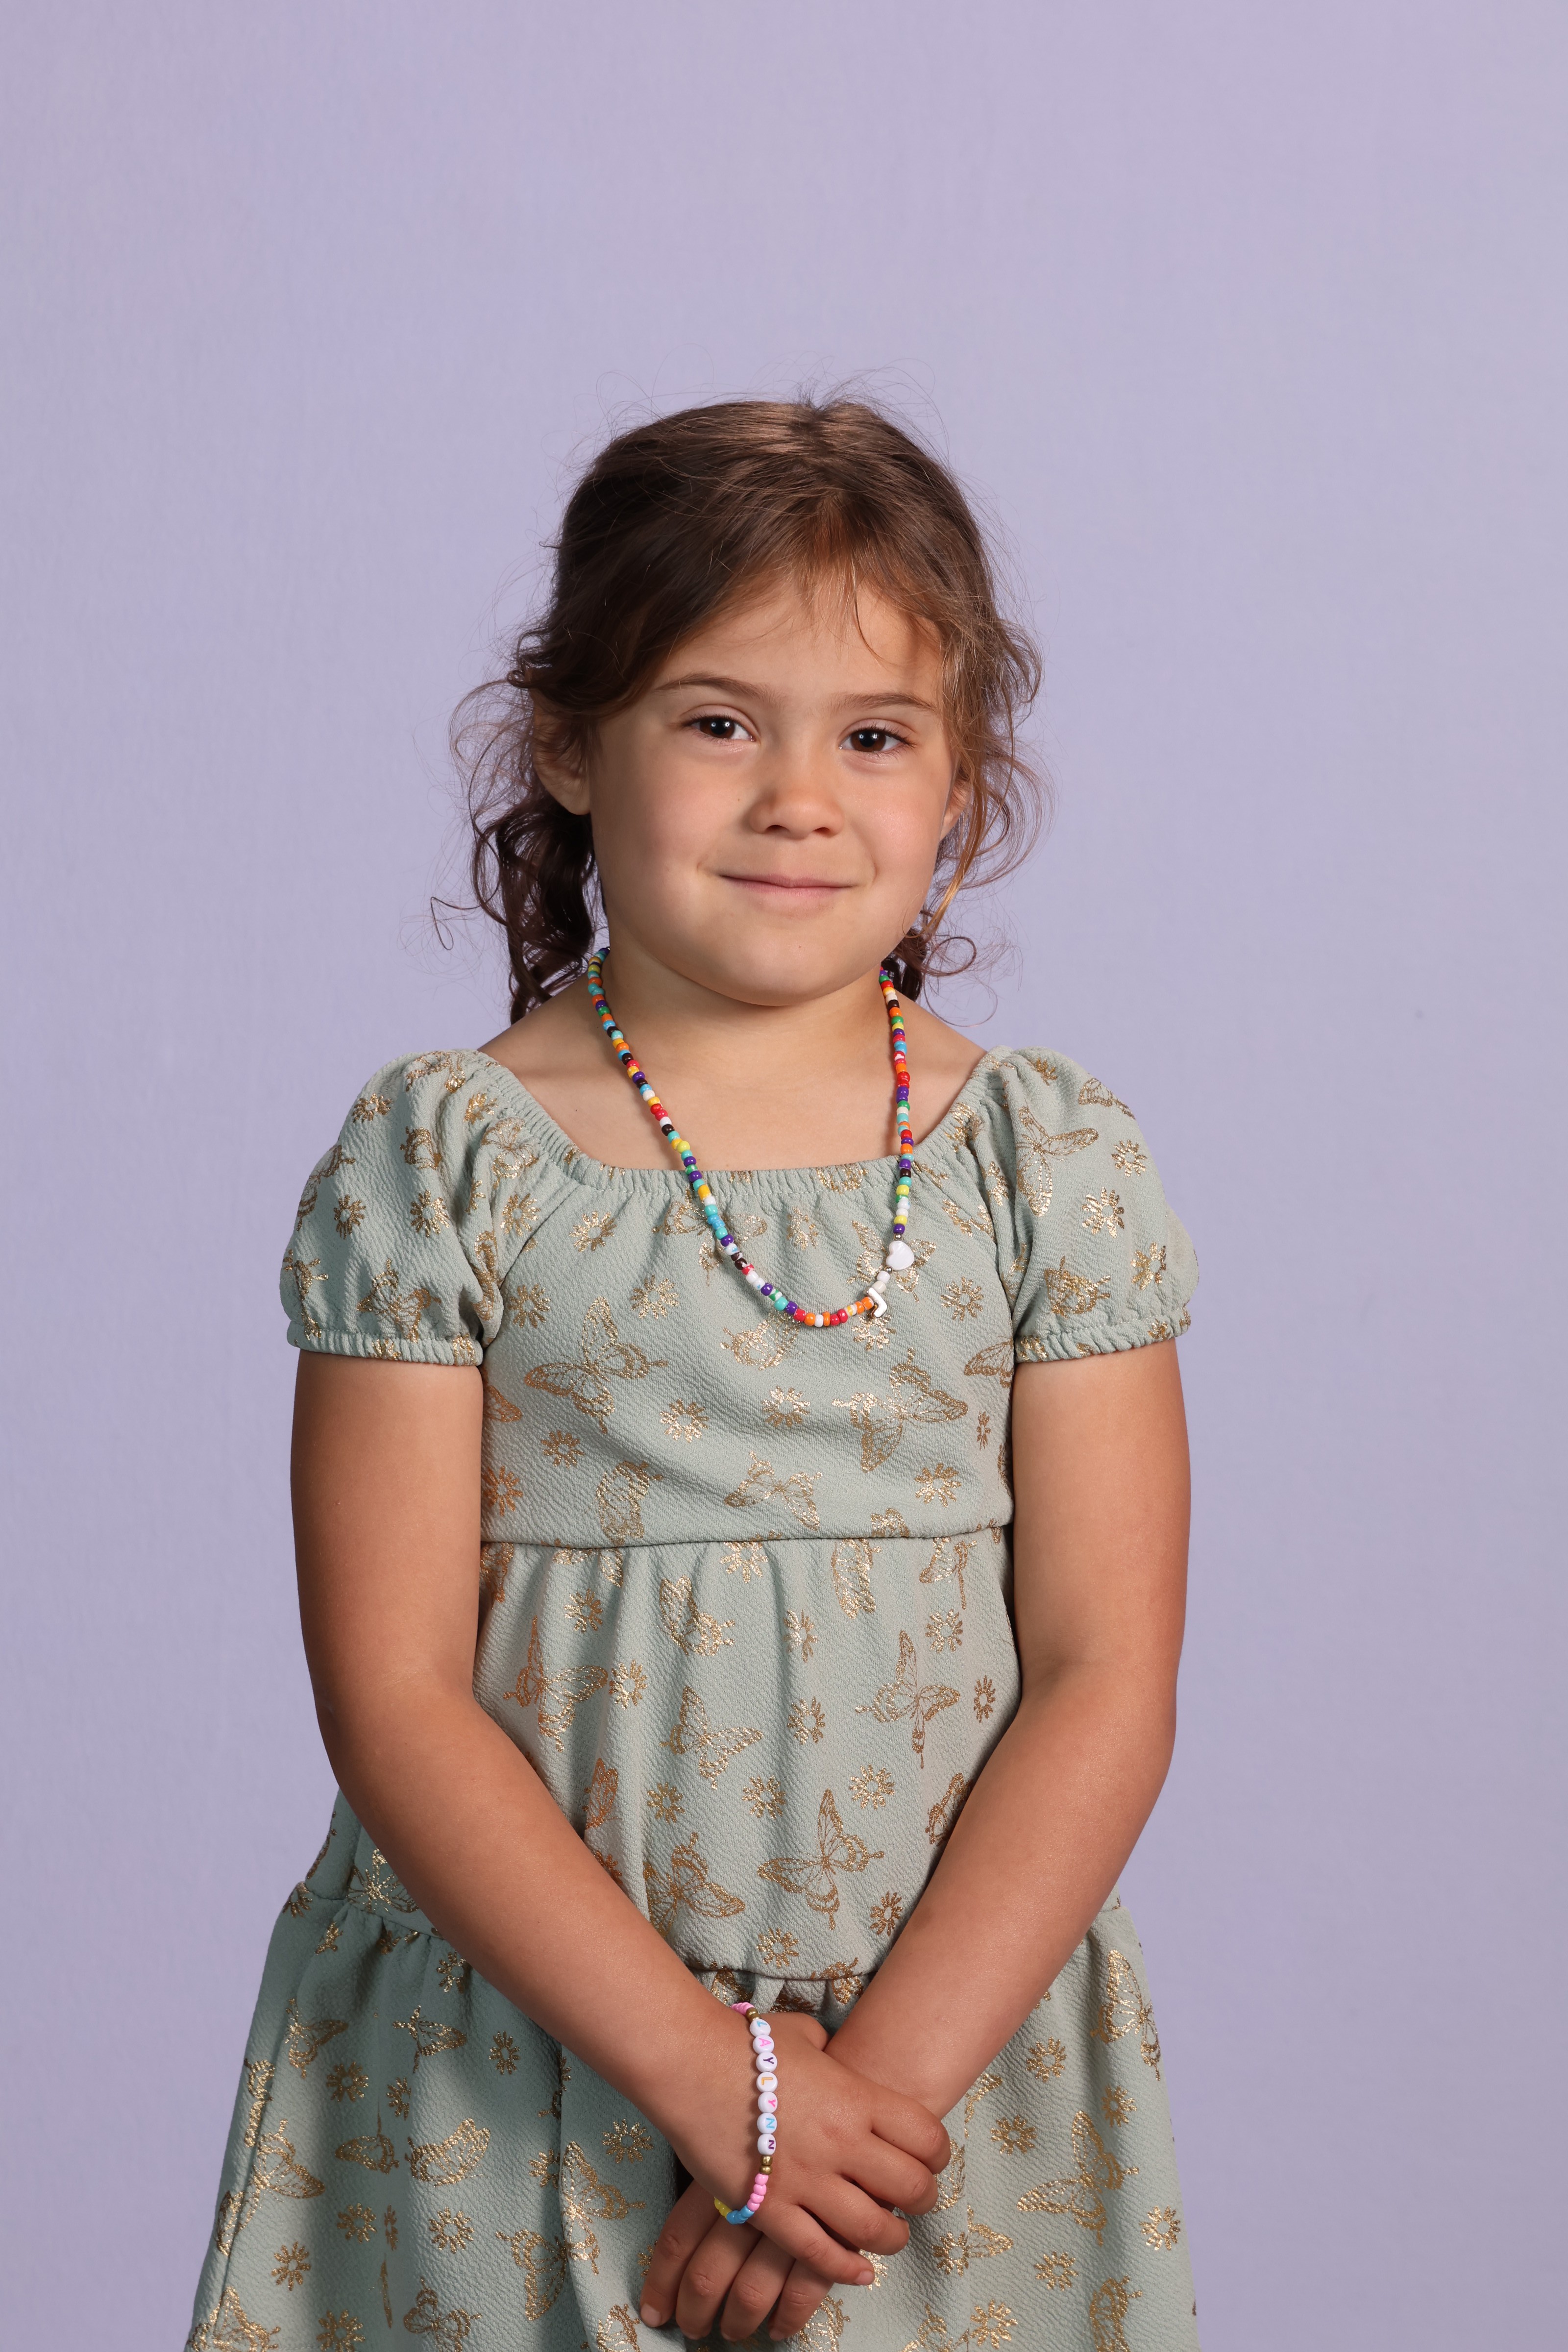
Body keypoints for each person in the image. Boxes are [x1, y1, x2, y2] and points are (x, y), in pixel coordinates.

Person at [189, 397, 1200, 2352]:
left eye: (874, 736)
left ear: (964, 781)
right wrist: (718, 2086)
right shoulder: (445, 1162)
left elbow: (1105, 1675)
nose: (799, 798)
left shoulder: (1046, 1165)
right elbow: (392, 1693)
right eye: (720, 721)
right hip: (519, 2059)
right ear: (570, 743)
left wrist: (848, 2122)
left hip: (937, 2072)